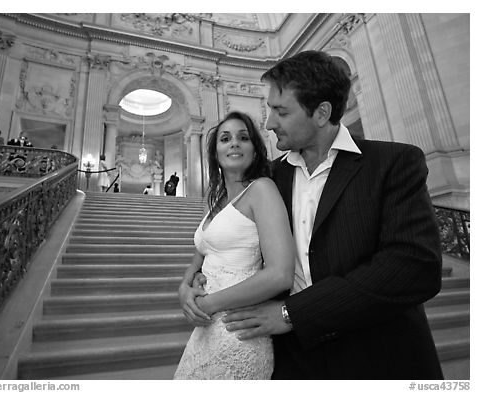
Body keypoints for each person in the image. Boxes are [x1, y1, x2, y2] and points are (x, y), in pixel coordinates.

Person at [182, 50, 443, 379]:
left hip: (376, 355)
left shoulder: (393, 163)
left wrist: (294, 313)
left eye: (280, 111)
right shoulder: (269, 179)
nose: (268, 123)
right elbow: (226, 239)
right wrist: (192, 280)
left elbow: (413, 268)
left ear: (321, 113)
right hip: (291, 359)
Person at [173, 111, 296, 379]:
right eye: (225, 138)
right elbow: (198, 261)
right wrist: (184, 290)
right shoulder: (215, 204)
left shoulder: (262, 189)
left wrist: (207, 305)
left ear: (255, 149)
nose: (234, 143)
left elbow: (279, 275)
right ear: (215, 152)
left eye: (244, 137)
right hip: (206, 328)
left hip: (237, 328)